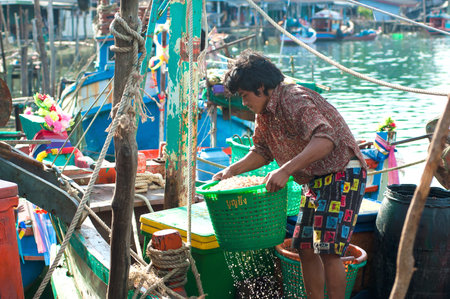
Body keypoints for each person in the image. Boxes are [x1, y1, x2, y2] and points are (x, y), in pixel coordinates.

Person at [213, 49, 368, 299]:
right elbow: (262, 151)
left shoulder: (293, 98)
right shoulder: (263, 114)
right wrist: (231, 171)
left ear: (261, 87)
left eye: (244, 95)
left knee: (328, 250)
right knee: (305, 247)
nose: (243, 102)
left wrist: (285, 170)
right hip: (315, 179)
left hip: (343, 173)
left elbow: (325, 139)